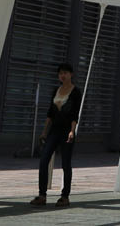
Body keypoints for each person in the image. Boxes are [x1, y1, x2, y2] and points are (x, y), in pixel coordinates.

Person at [31, 63, 82, 208]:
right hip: (54, 130)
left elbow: (74, 114)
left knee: (66, 163)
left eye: (65, 73)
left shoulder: (75, 92)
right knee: (43, 160)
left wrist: (72, 131)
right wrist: (44, 131)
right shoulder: (56, 90)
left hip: (67, 130)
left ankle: (65, 196)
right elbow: (50, 113)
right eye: (60, 73)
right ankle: (42, 195)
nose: (62, 75)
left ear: (71, 74)